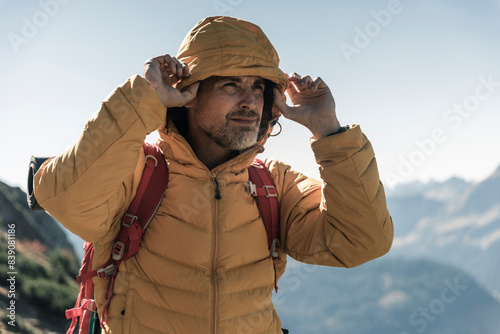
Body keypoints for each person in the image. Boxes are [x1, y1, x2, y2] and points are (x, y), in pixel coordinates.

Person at [33, 16, 394, 334]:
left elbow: (361, 241)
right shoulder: (136, 172)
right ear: (188, 94)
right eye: (230, 85)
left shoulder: (274, 185)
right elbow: (64, 199)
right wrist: (145, 96)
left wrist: (329, 130)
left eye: (258, 88)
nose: (250, 102)